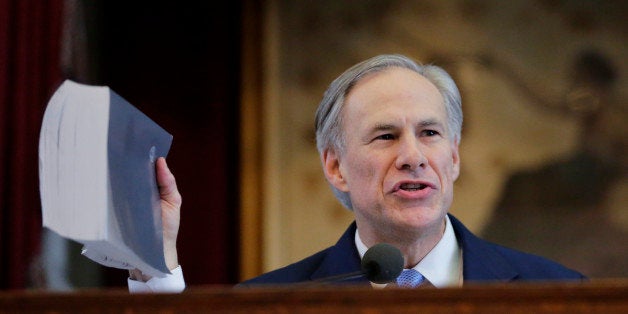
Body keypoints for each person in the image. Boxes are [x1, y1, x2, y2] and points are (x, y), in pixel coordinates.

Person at [128, 54, 584, 292]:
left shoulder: (562, 294)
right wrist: (154, 265)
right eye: (385, 136)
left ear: (455, 157)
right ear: (335, 166)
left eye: (429, 132)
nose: (413, 156)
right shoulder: (270, 302)